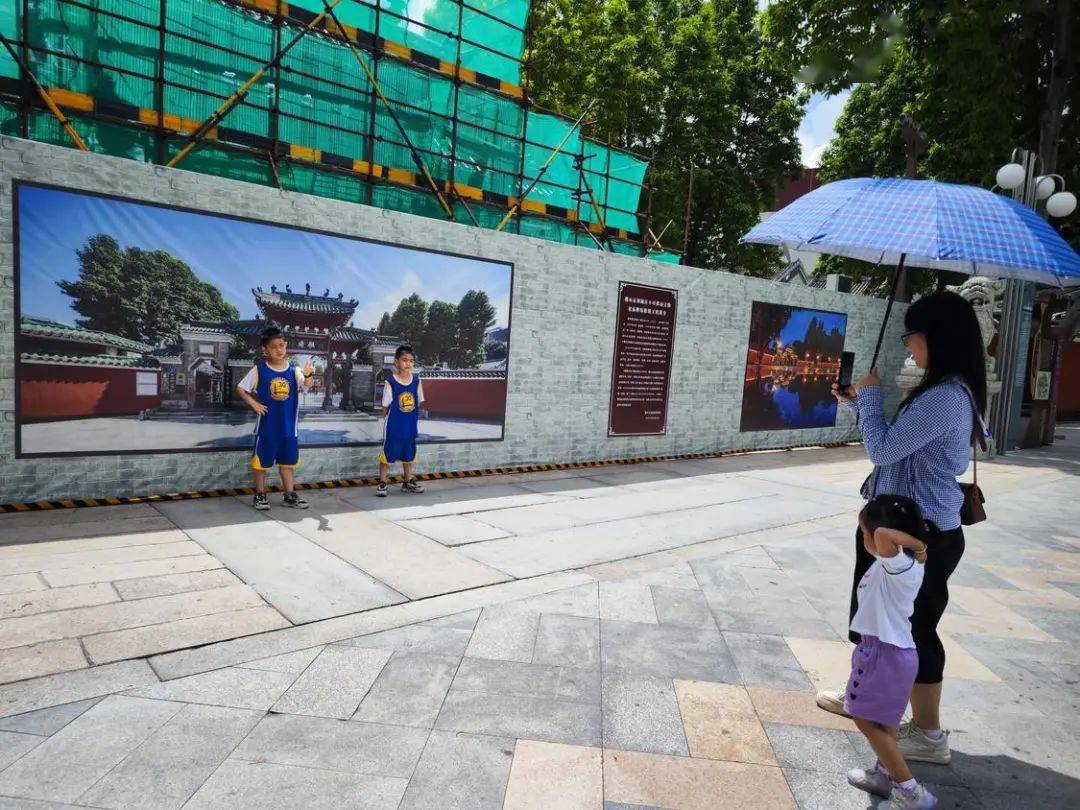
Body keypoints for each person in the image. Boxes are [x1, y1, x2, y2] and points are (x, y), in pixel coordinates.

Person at [817, 291, 987, 766]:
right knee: (878, 621)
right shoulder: (940, 391)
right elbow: (898, 446)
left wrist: (871, 396)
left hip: (918, 537)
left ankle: (928, 735)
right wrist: (858, 404)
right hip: (895, 529)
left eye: (910, 334)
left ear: (936, 336)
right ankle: (866, 698)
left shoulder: (946, 397)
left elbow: (884, 450)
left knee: (914, 629)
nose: (908, 344)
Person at [845, 495, 935, 809]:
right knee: (886, 723)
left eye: (864, 533)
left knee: (863, 717)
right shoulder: (908, 564)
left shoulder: (898, 564)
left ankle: (909, 791)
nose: (865, 539)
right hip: (895, 654)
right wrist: (917, 548)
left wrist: (919, 544)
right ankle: (885, 775)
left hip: (883, 654)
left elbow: (883, 535)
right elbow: (884, 536)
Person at [236, 326, 314, 511]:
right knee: (261, 463)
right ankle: (260, 495)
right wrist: (254, 404)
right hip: (267, 427)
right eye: (274, 347)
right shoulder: (260, 370)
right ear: (265, 349)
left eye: (282, 345)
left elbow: (307, 385)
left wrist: (309, 373)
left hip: (288, 428)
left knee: (287, 464)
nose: (279, 350)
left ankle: (289, 495)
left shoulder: (294, 370)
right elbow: (241, 388)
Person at [376, 345, 426, 497]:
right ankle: (383, 482)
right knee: (387, 455)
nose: (408, 364)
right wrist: (384, 421)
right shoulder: (391, 382)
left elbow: (418, 403)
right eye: (404, 360)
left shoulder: (416, 381)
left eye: (411, 360)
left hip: (409, 426)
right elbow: (385, 405)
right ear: (397, 361)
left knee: (408, 454)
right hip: (394, 427)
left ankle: (408, 481)